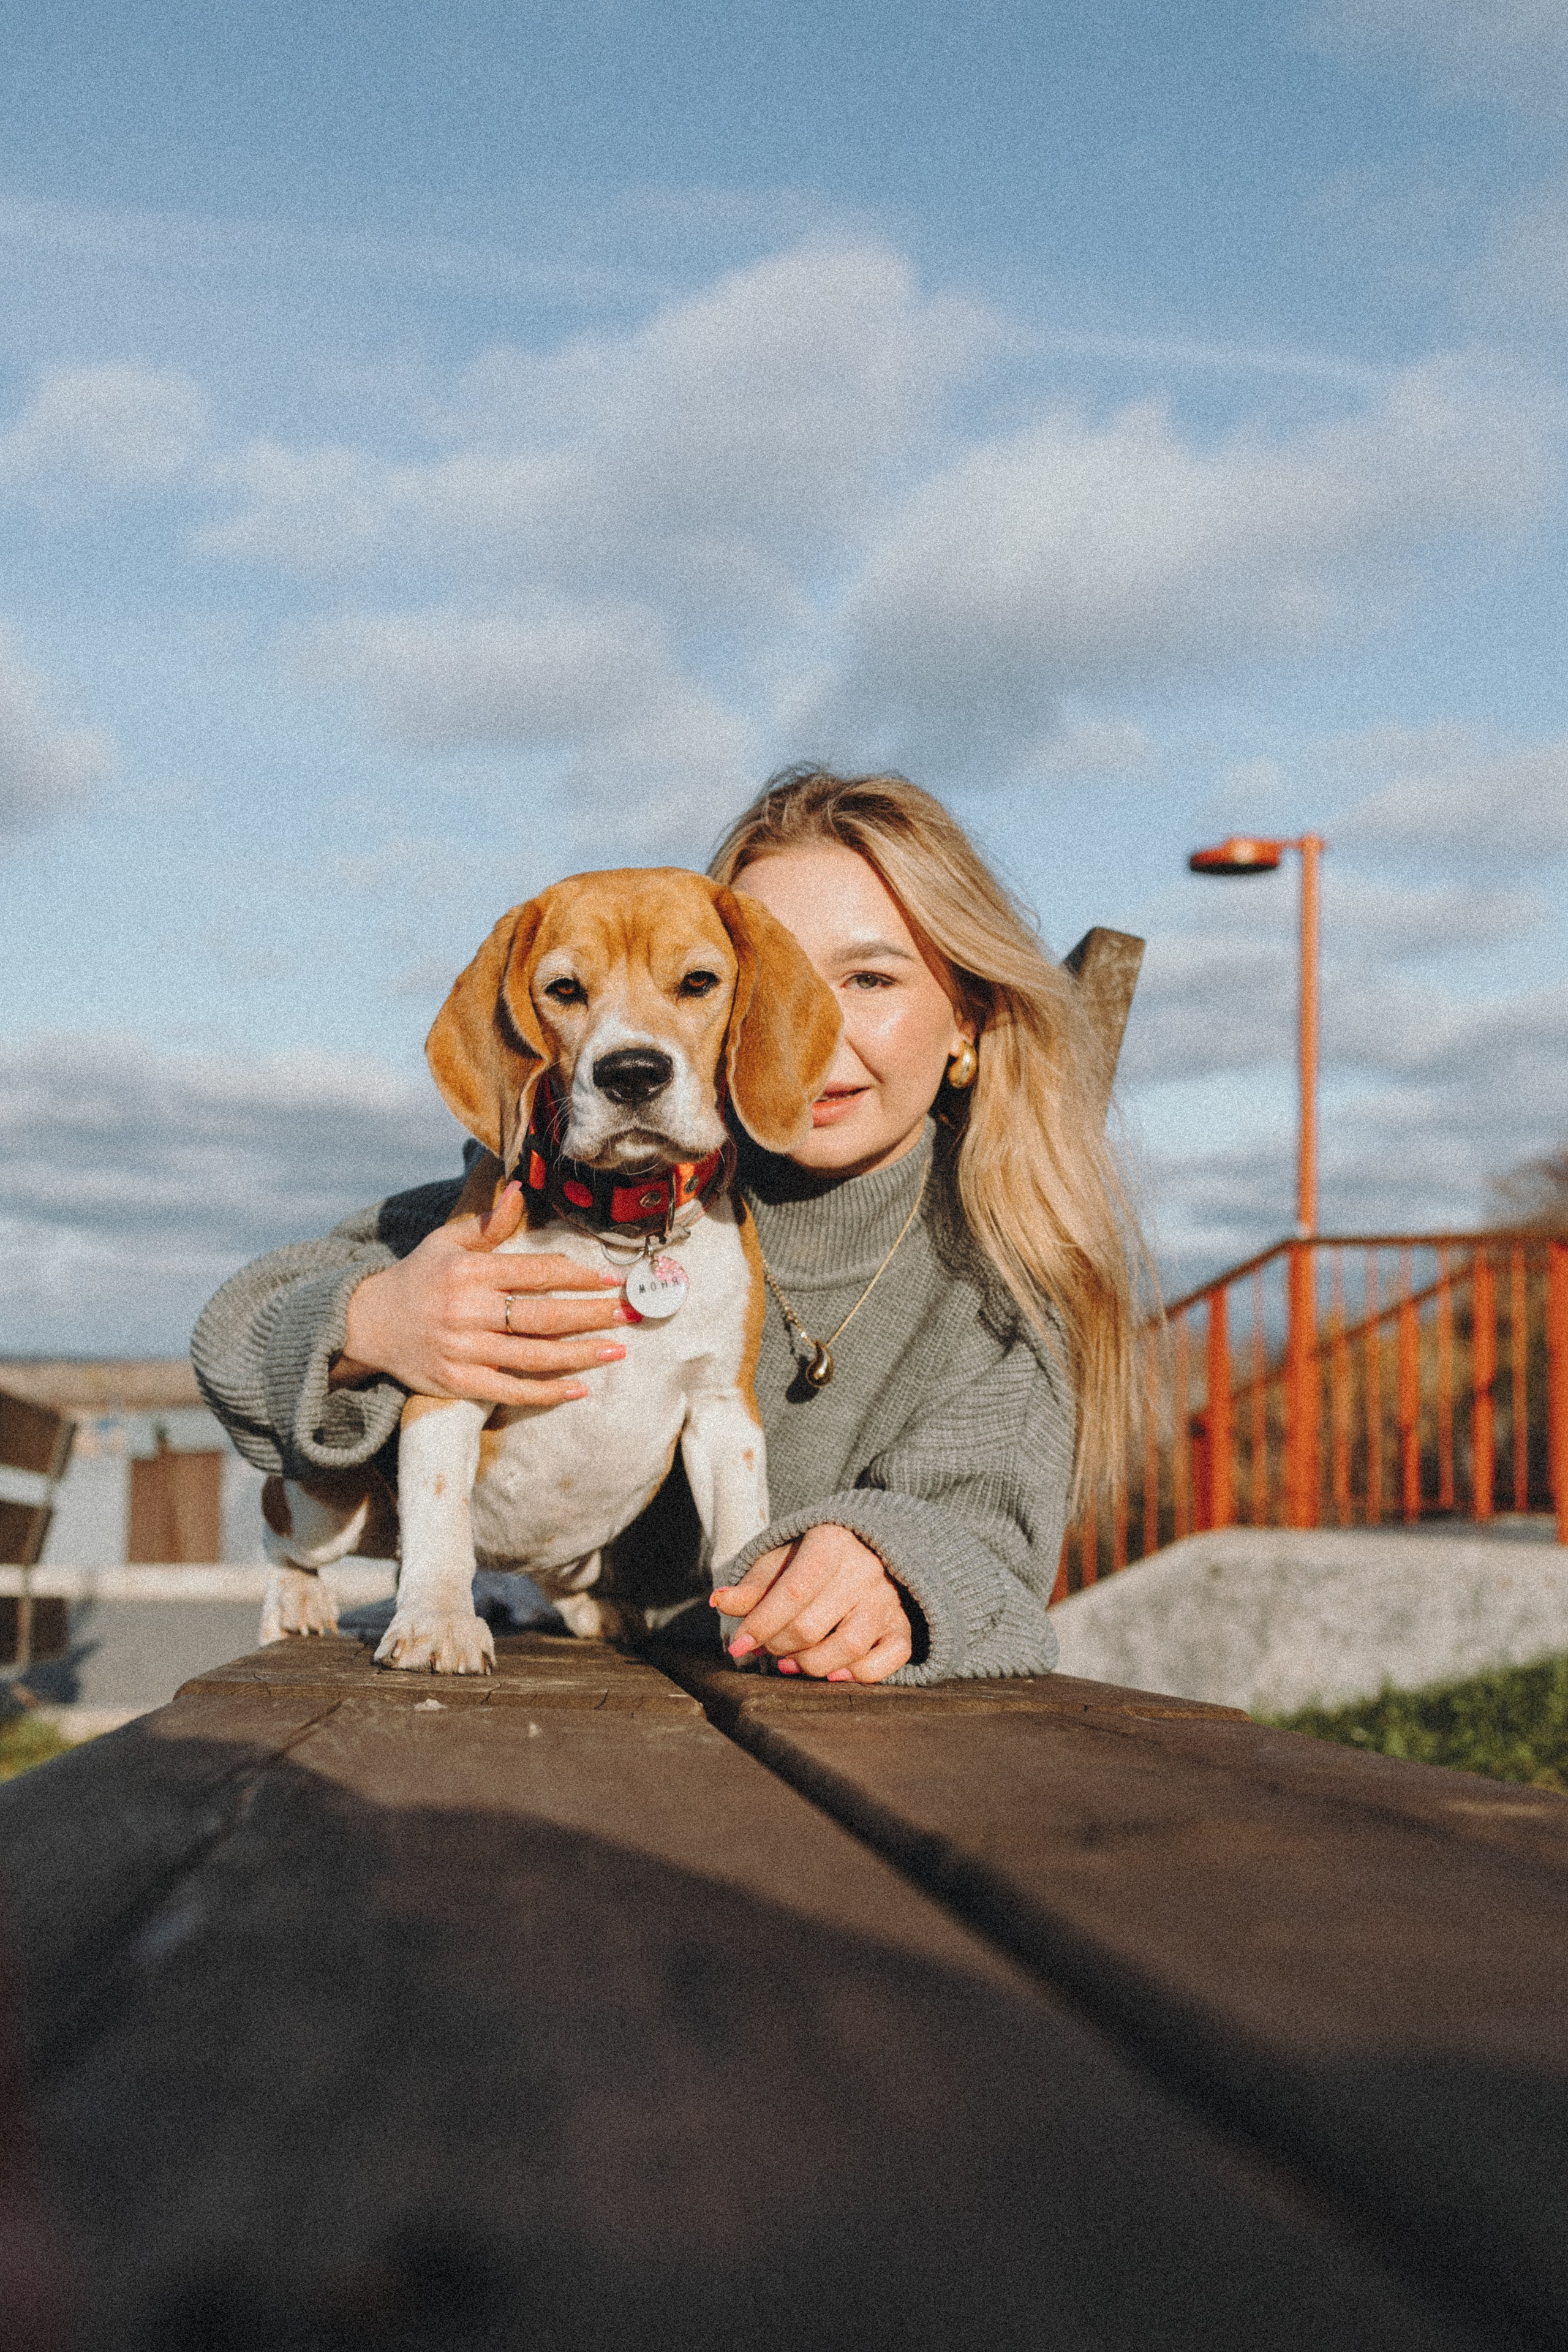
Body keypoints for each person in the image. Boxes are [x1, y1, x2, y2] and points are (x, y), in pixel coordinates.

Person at [192, 768, 1138, 1685]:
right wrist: (375, 1321)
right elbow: (239, 1330)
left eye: (871, 980)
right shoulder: (546, 1188)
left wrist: (899, 1575)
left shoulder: (1003, 1277)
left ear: (968, 1016)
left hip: (759, 1699)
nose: (800, 1026)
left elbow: (993, 1542)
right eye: (772, 982)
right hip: (549, 1645)